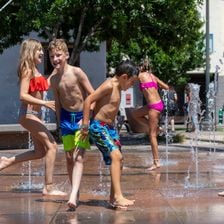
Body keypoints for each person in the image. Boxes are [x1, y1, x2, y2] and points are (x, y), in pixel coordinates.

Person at [0, 39, 65, 196]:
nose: (42, 53)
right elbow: (22, 95)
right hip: (28, 115)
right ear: (30, 52)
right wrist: (44, 103)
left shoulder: (35, 70)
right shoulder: (27, 70)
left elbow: (42, 86)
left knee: (40, 152)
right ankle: (48, 187)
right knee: (52, 146)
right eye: (39, 50)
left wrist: (56, 73)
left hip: (32, 116)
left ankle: (7, 161)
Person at [80, 60, 138, 210]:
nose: (132, 85)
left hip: (110, 129)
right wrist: (85, 125)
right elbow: (88, 100)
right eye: (132, 82)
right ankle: (118, 197)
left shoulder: (118, 86)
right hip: (99, 127)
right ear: (124, 77)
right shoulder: (109, 85)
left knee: (120, 160)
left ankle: (113, 199)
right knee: (116, 157)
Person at [48, 39, 95, 210]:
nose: (55, 59)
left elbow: (92, 96)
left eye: (58, 55)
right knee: (69, 157)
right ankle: (76, 189)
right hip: (67, 120)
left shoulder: (77, 73)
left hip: (81, 118)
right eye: (52, 56)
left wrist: (86, 119)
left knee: (79, 157)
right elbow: (58, 103)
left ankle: (73, 194)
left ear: (66, 55)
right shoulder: (53, 80)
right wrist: (60, 124)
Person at [132, 58, 169, 170]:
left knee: (152, 135)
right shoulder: (153, 76)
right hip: (158, 104)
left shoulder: (140, 76)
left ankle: (156, 162)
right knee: (135, 114)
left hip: (153, 107)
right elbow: (166, 87)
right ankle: (157, 128)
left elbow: (130, 80)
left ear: (141, 67)